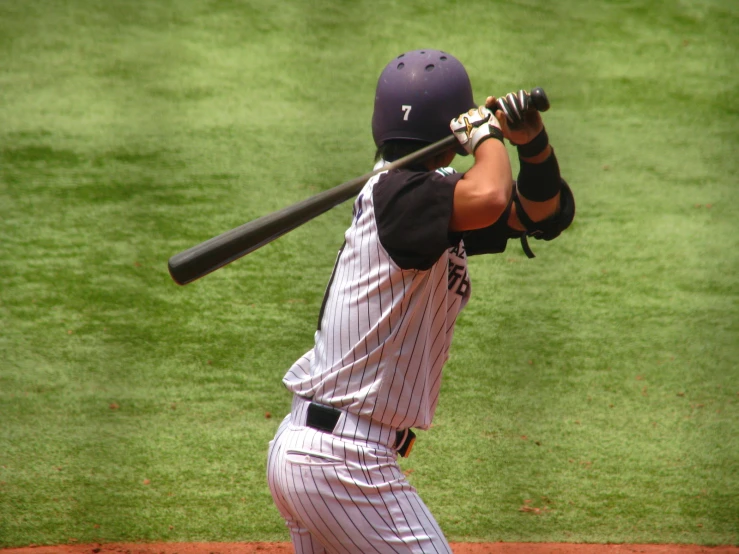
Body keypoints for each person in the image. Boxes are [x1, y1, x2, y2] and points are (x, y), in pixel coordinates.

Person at [266, 49, 575, 554]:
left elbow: (542, 213)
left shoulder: (425, 202)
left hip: (315, 452)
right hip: (344, 464)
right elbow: (493, 196)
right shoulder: (400, 196)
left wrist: (533, 144)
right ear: (452, 131)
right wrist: (486, 134)